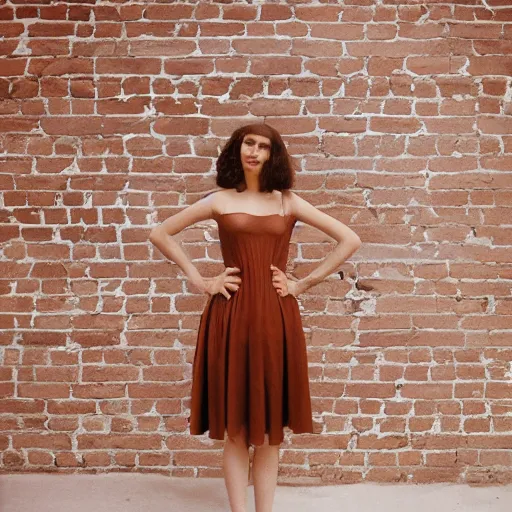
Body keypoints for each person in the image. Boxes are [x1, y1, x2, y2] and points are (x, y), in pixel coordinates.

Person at [149, 123, 362, 512]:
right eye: (249, 143)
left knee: (269, 432)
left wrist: (302, 284)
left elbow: (349, 239)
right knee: (235, 430)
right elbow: (161, 232)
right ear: (238, 149)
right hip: (230, 316)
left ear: (272, 155)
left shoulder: (288, 202)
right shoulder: (219, 200)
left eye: (264, 146)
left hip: (275, 318)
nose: (255, 151)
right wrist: (201, 280)